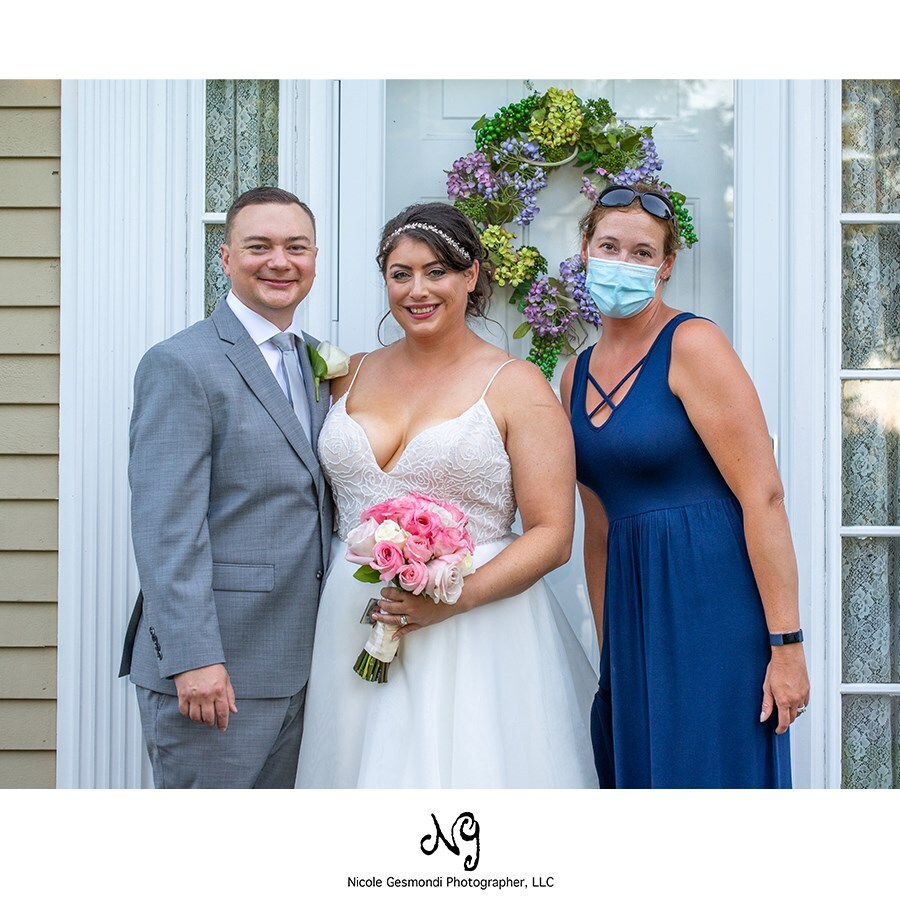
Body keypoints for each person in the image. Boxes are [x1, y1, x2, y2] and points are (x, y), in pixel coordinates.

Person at [296, 202, 597, 788]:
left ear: (472, 276)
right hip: (353, 614)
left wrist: (452, 600)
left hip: (476, 625)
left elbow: (553, 535)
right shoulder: (343, 372)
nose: (417, 290)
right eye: (400, 273)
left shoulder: (516, 385)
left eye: (437, 271)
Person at [560, 183, 811, 788]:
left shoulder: (693, 345)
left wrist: (787, 645)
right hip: (631, 613)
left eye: (642, 253)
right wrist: (609, 647)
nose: (623, 263)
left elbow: (764, 496)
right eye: (609, 246)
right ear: (585, 250)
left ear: (666, 265)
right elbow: (597, 526)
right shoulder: (572, 375)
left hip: (713, 605)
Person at [119, 187, 335, 788]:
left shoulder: (316, 360)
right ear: (225, 258)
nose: (279, 261)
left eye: (296, 247)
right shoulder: (181, 364)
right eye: (258, 246)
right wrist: (193, 658)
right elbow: (166, 527)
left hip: (305, 664)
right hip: (218, 673)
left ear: (315, 258)